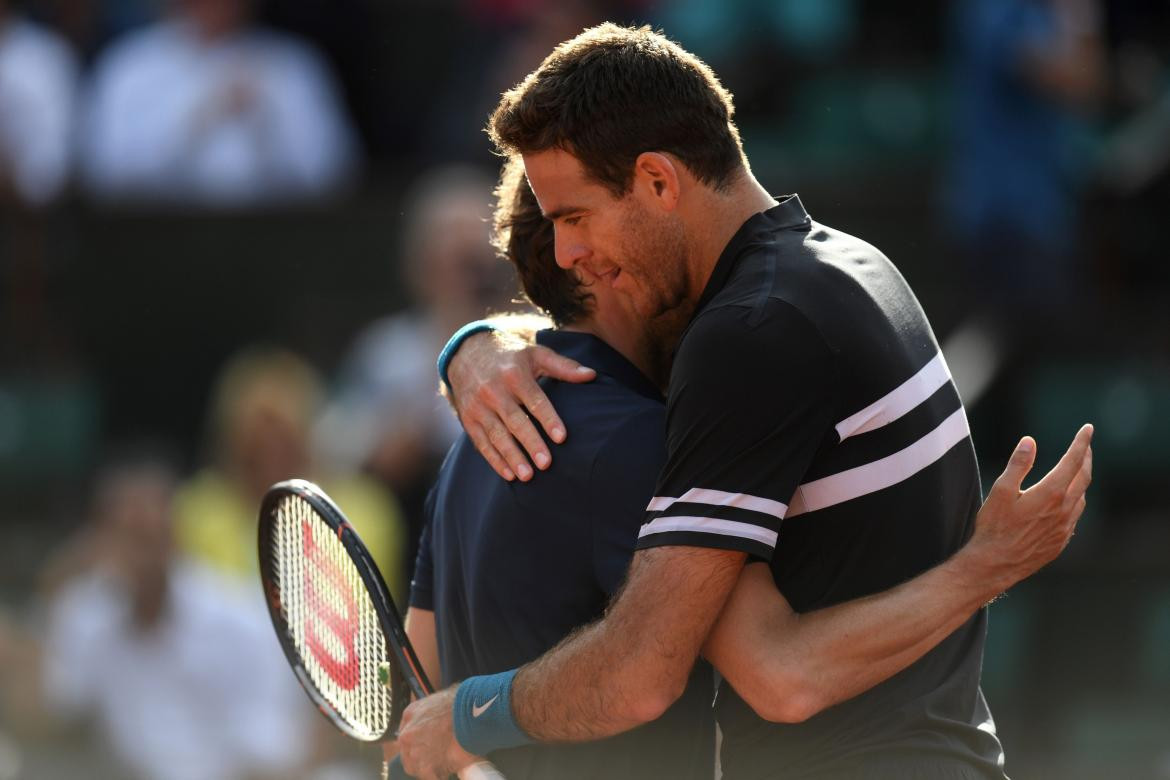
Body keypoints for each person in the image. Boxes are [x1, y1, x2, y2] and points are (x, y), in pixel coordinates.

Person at [396, 24, 1094, 779]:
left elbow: (728, 675)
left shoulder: (745, 337)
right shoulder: (849, 266)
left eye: (574, 218)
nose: (568, 257)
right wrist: (475, 345)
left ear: (660, 181)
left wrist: (470, 718)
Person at [174, 347, 407, 599]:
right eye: (256, 448)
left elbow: (361, 605)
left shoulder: (365, 509)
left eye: (283, 444)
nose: (270, 459)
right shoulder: (194, 513)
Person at [78, 0, 357, 207]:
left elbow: (334, 174)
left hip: (272, 241)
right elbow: (105, 175)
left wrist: (265, 123)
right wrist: (196, 121)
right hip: (156, 242)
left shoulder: (294, 64)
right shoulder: (129, 66)